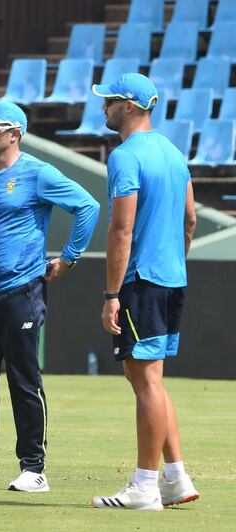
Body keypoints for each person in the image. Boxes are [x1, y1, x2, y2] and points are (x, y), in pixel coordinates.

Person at [0, 101, 100, 493]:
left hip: (21, 291)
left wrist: (68, 259)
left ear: (15, 134)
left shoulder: (38, 173)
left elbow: (88, 206)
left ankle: (34, 468)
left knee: (23, 380)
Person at [91, 73, 199, 511]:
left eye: (111, 101)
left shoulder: (125, 155)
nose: (104, 108)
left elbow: (121, 230)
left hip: (141, 282)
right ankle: (175, 478)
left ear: (131, 107)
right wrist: (174, 260)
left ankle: (144, 486)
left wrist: (111, 294)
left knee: (146, 382)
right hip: (171, 279)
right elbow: (190, 220)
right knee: (148, 379)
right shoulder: (174, 152)